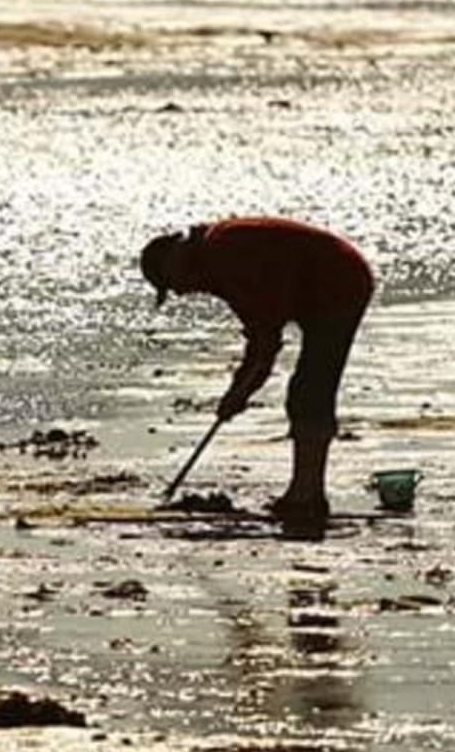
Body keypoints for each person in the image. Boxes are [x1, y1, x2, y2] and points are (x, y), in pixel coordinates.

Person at [140, 217, 374, 524]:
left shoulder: (224, 251)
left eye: (172, 283)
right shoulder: (213, 261)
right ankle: (305, 492)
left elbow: (266, 337)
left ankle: (307, 496)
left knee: (310, 390)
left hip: (339, 281)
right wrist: (239, 390)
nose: (181, 293)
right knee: (306, 390)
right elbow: (259, 335)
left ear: (176, 258)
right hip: (314, 288)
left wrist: (240, 392)